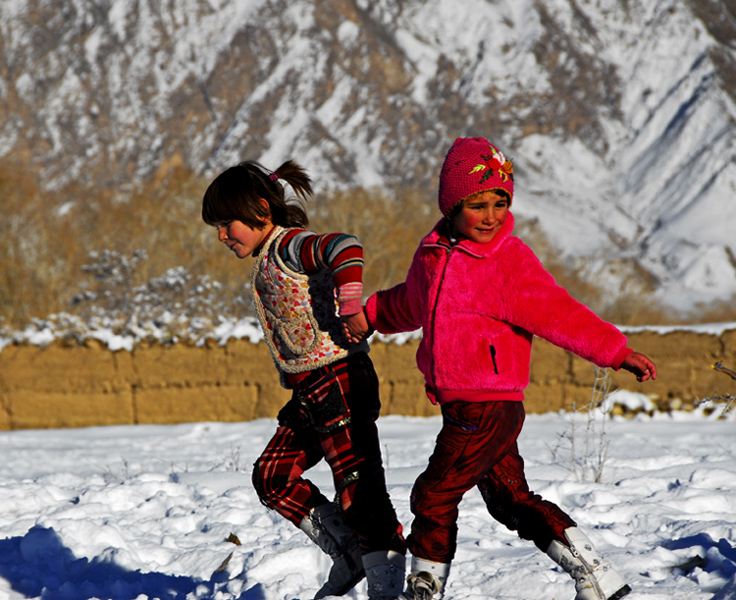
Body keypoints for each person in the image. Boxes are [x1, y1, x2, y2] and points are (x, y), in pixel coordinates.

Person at [359, 137, 657, 600]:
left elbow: (560, 313)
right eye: (479, 204)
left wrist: (615, 351)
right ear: (453, 205)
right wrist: (371, 313)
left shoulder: (508, 262)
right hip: (466, 403)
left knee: (433, 495)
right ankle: (595, 574)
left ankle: (423, 589)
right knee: (509, 499)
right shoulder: (433, 257)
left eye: (501, 202)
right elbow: (410, 304)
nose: (492, 215)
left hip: (488, 403)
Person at [202, 160, 406, 600]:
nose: (221, 235)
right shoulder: (268, 257)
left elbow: (345, 246)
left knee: (359, 493)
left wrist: (351, 304)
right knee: (273, 476)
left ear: (260, 209)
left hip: (341, 382)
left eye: (226, 223)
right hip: (311, 391)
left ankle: (386, 587)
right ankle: (350, 552)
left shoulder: (290, 245)